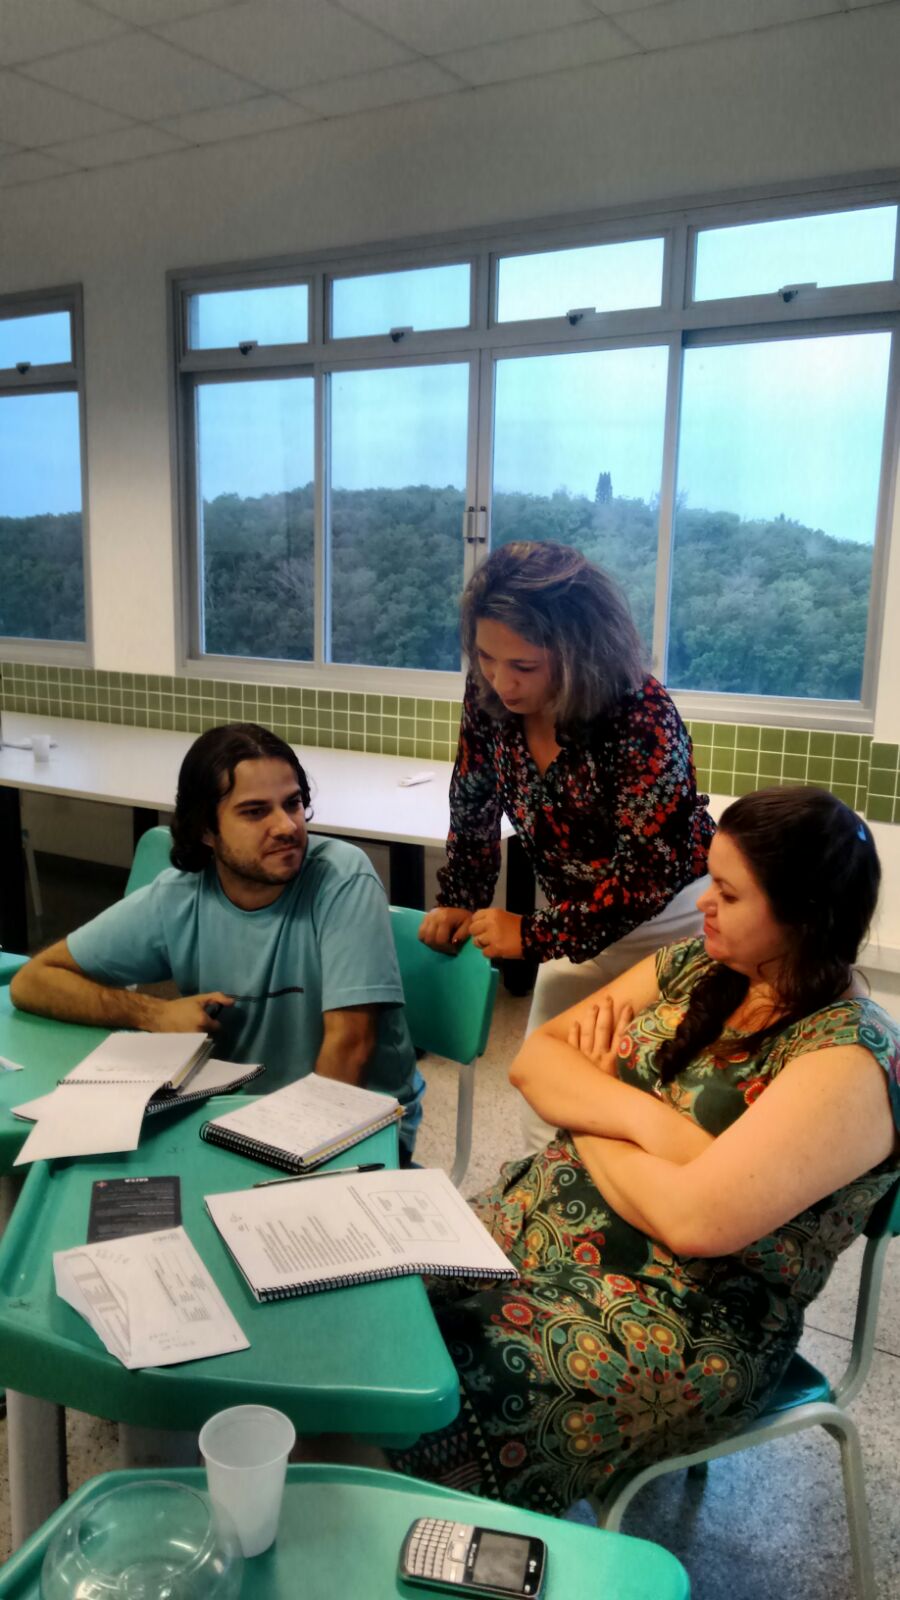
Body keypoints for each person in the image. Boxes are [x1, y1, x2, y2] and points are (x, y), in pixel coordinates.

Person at [390, 787, 900, 1512]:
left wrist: (588, 1108)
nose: (703, 904)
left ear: (804, 915)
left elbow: (692, 1222)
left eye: (728, 892)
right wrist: (651, 1122)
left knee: (423, 1400)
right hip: (534, 1227)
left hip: (678, 1312)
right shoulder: (699, 964)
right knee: (371, 1309)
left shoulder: (850, 1058)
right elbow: (535, 1063)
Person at [10, 722, 423, 1160]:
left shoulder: (341, 878)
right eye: (255, 812)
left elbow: (351, 1048)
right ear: (206, 830)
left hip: (350, 1124)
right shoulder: (178, 897)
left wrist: (293, 1161)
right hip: (228, 1117)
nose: (286, 826)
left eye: (293, 803)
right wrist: (153, 1013)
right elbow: (33, 980)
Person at [418, 540, 714, 1151]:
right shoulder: (489, 695)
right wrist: (461, 896)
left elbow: (646, 877)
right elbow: (473, 798)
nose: (501, 681)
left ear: (580, 653)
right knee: (545, 1098)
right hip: (575, 920)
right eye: (485, 658)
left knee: (655, 1098)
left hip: (673, 924)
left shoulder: (641, 715)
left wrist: (532, 936)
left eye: (523, 666)